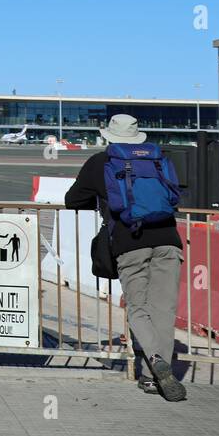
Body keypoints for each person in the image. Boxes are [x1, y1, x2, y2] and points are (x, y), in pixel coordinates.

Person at [64, 114, 186, 400]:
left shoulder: (101, 162)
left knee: (137, 308)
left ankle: (156, 361)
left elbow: (73, 200)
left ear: (109, 136)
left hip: (130, 241)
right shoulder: (159, 158)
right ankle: (151, 377)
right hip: (168, 239)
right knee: (163, 311)